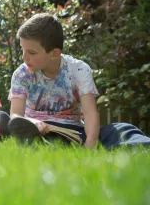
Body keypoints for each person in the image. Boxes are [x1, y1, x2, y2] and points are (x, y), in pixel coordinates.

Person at [8, 13, 150, 149]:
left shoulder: (79, 69)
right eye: (23, 50)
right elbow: (15, 115)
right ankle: (41, 145)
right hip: (38, 130)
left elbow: (89, 113)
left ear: (55, 53)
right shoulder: (21, 74)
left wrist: (90, 143)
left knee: (122, 129)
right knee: (4, 120)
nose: (24, 57)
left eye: (31, 52)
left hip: (74, 131)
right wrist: (31, 122)